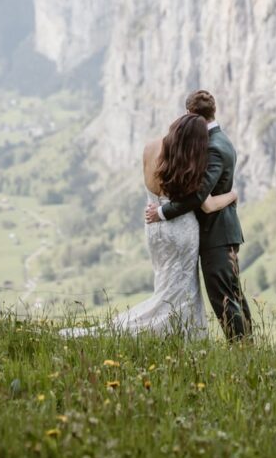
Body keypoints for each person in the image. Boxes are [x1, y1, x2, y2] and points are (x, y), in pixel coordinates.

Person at [60, 113, 236, 339]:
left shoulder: (150, 148)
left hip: (153, 228)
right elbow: (208, 204)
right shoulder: (186, 162)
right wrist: (233, 194)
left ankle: (161, 331)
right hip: (180, 228)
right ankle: (175, 335)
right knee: (183, 290)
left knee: (164, 285)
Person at [145, 90, 252, 341]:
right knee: (233, 294)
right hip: (218, 231)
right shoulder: (218, 141)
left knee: (222, 298)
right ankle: (248, 346)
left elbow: (199, 196)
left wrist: (162, 212)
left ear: (191, 115)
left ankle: (241, 349)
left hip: (217, 233)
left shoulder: (214, 147)